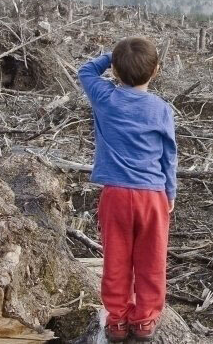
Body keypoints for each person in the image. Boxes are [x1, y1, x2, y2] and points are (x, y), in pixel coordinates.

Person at [77, 37, 177, 342]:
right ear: (156, 71)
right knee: (152, 261)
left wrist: (113, 57)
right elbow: (168, 156)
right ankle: (145, 321)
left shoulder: (105, 97)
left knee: (116, 261)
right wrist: (170, 193)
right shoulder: (161, 109)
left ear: (116, 73)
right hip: (152, 196)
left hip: (116, 195)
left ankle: (117, 321)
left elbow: (85, 72)